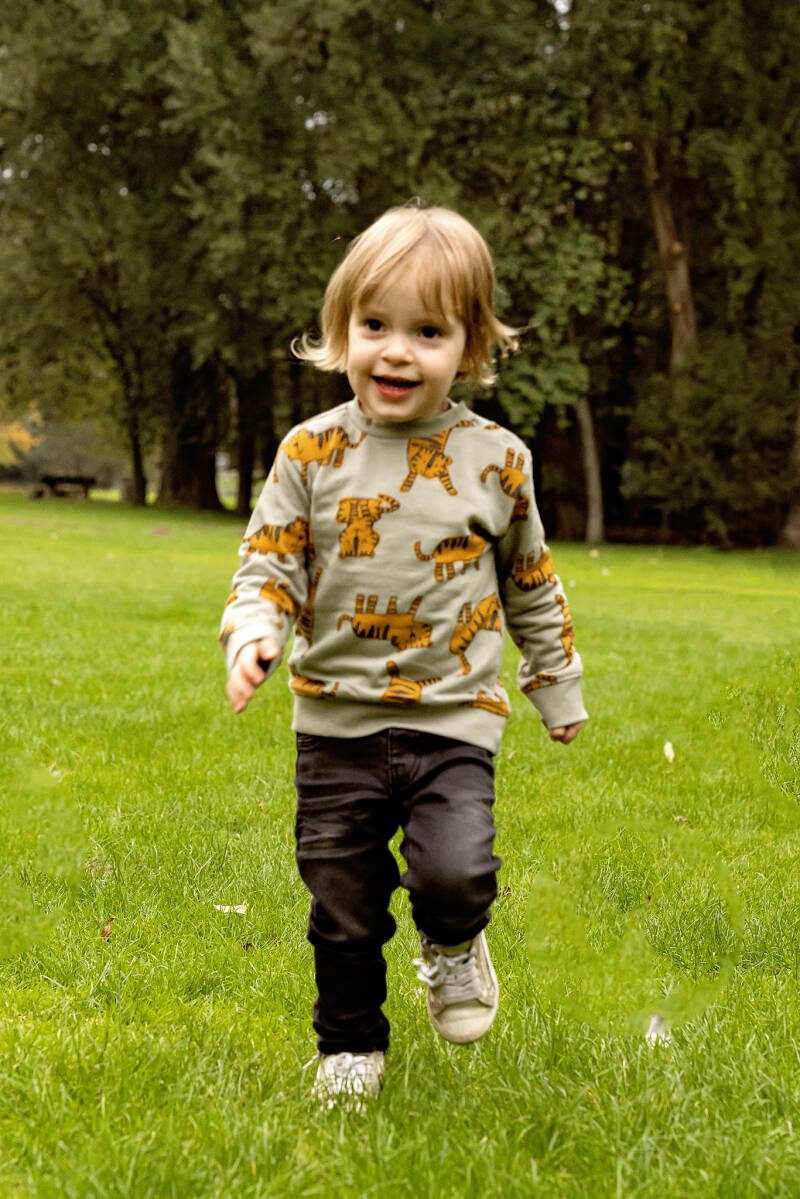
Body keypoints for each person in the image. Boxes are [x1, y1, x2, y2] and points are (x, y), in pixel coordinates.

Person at [220, 203, 587, 1110]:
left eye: (427, 331)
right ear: (341, 328)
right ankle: (349, 1046)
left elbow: (531, 580)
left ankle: (454, 942)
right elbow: (270, 559)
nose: (395, 351)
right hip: (335, 722)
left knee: (456, 871)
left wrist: (556, 684)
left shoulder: (497, 461)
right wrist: (256, 629)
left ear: (468, 346)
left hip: (453, 717)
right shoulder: (310, 452)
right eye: (374, 325)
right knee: (341, 902)